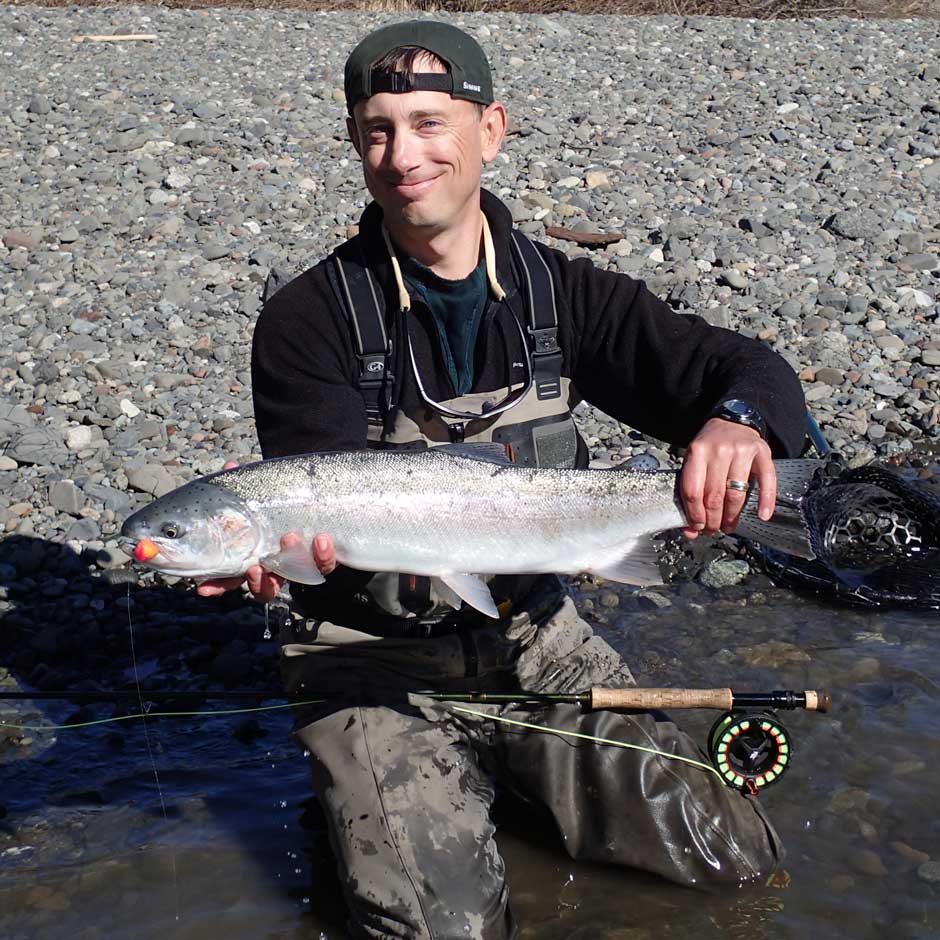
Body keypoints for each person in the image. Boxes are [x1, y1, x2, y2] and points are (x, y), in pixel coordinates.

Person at [199, 20, 808, 940]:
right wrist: (283, 561)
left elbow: (751, 371)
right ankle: (388, 810)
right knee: (441, 930)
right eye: (377, 129)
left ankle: (502, 791)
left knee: (734, 863)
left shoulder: (562, 294)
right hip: (373, 663)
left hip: (537, 639)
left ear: (491, 131)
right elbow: (317, 515)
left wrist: (743, 423)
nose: (403, 155)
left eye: (430, 123)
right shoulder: (308, 321)